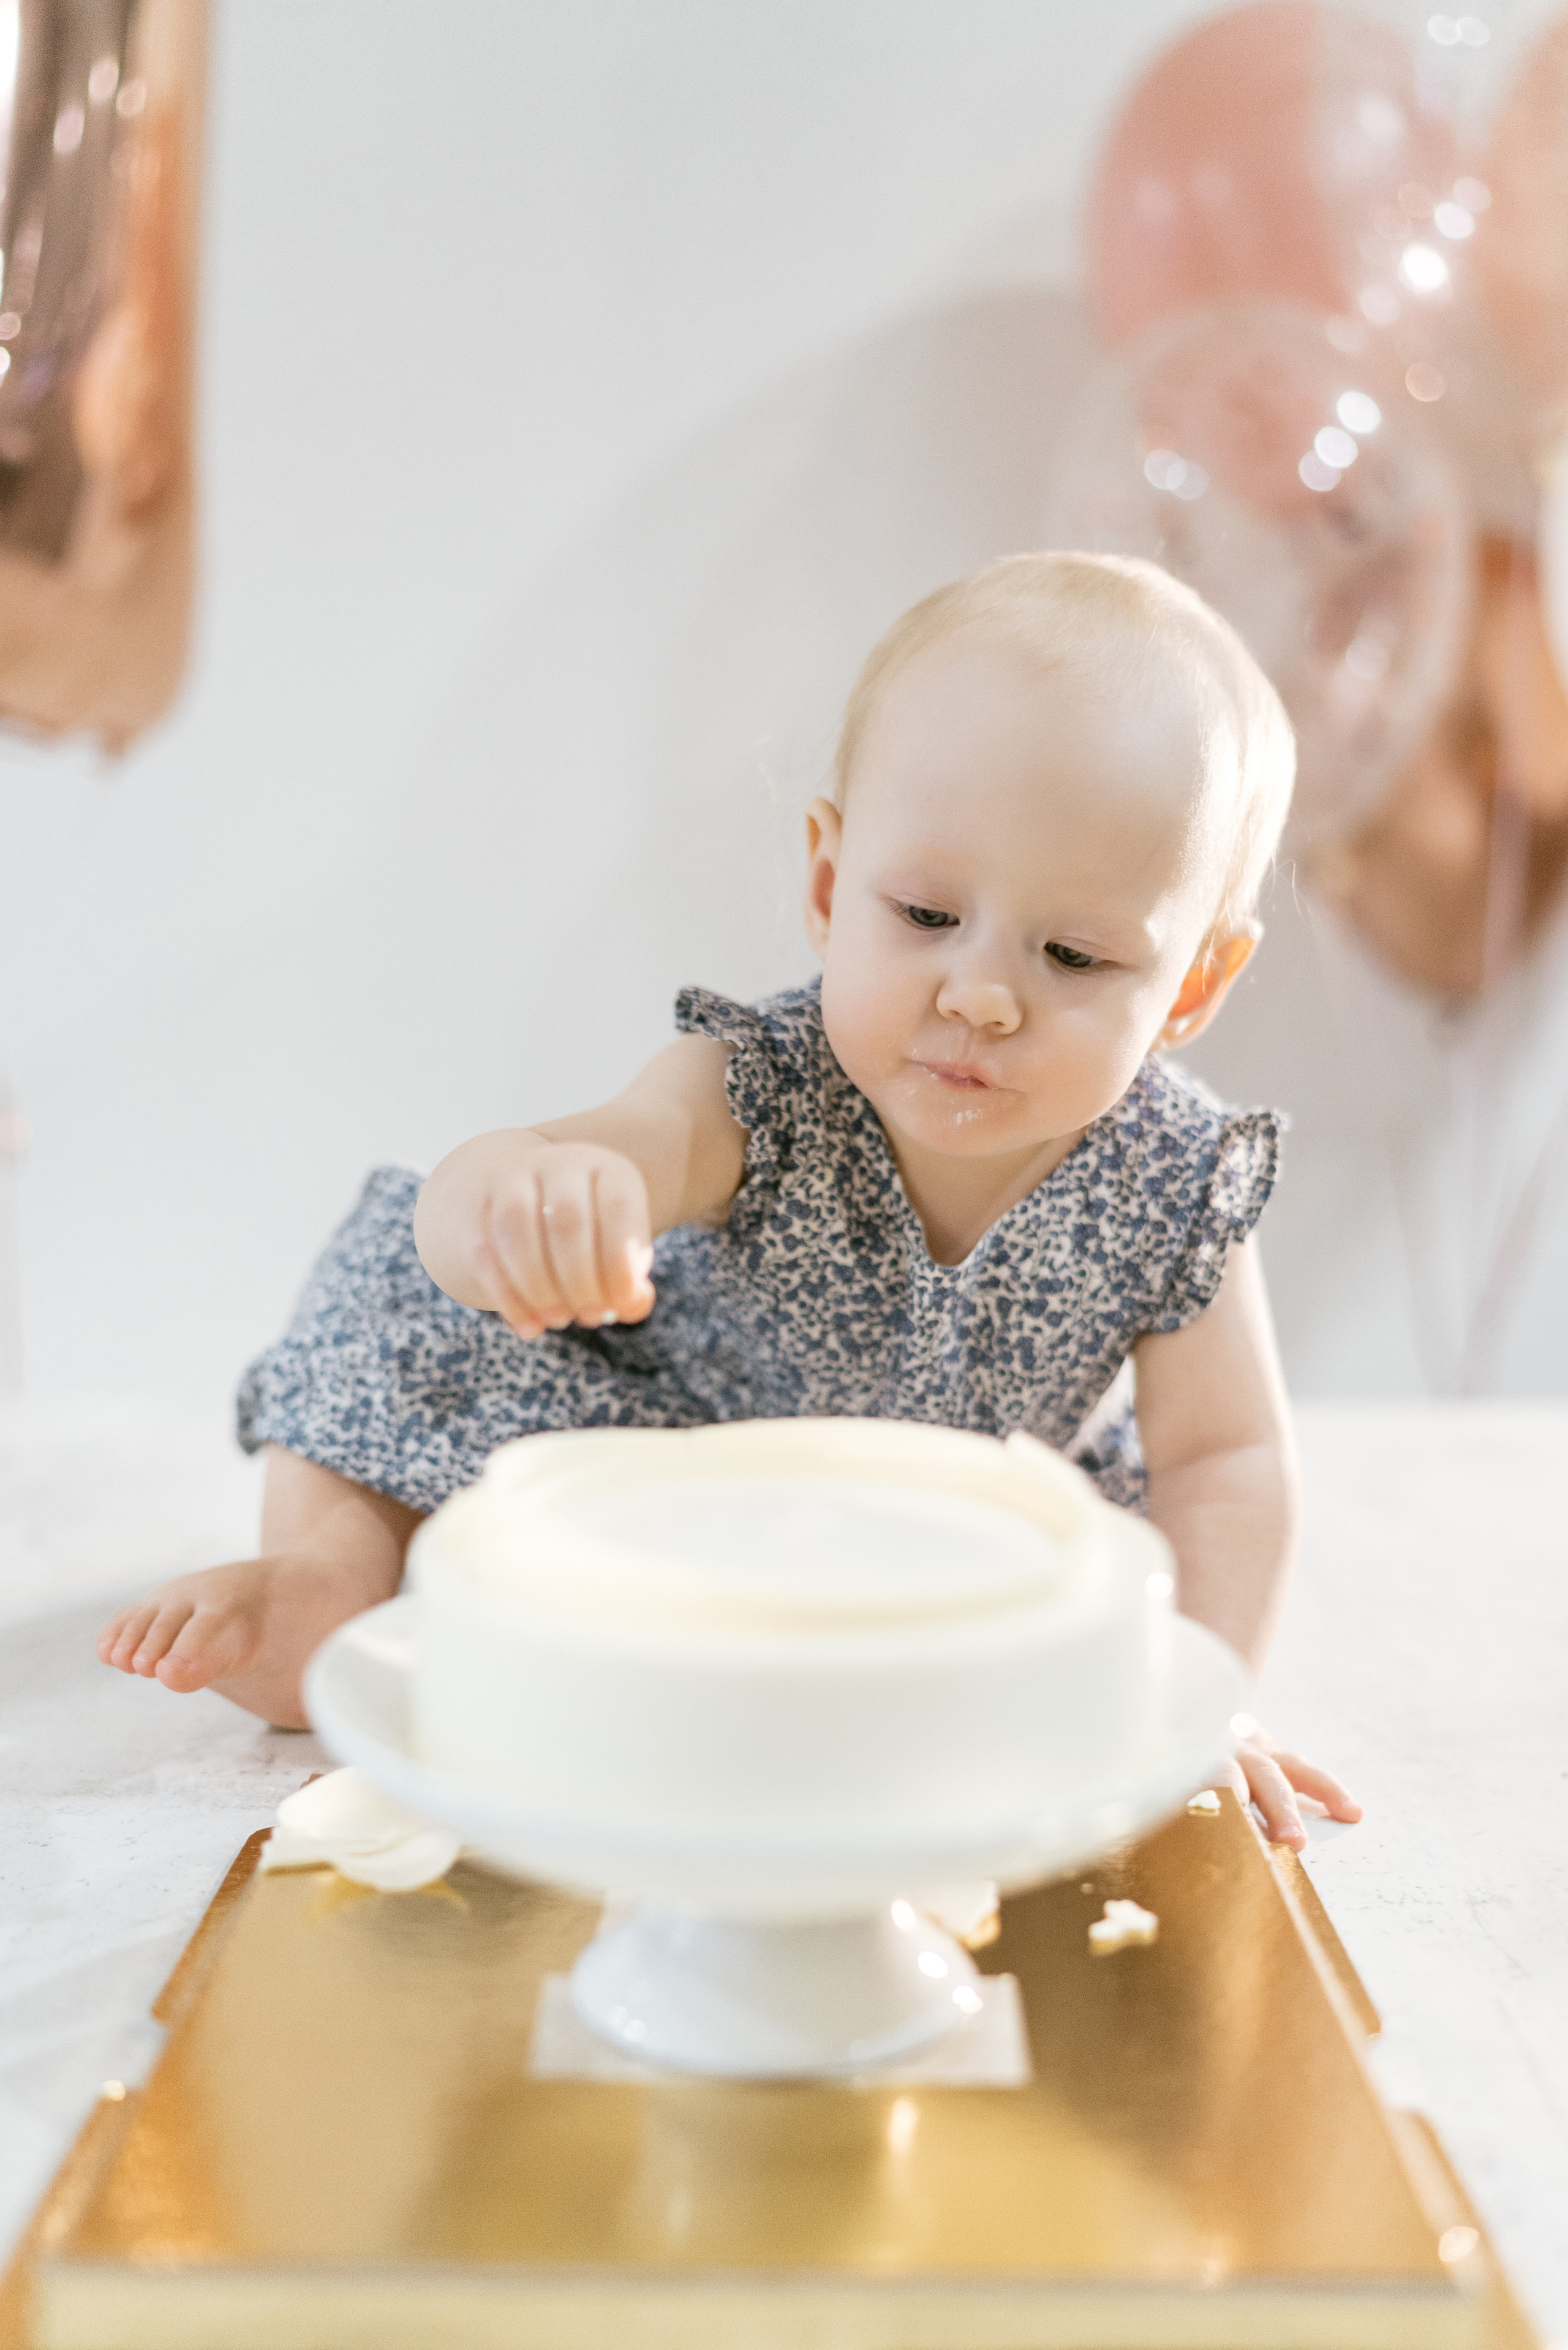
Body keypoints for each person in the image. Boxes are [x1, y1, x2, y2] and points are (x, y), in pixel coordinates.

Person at [99, 551, 1361, 1848]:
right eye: (925, 912)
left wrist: (1197, 1695)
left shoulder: (1176, 1176)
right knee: (408, 1324)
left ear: (1195, 986)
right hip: (658, 1446)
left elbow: (1225, 1459)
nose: (980, 993)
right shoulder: (761, 1080)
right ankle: (328, 1577)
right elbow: (612, 1146)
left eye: (1074, 953)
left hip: (935, 1523)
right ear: (826, 885)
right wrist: (544, 1194)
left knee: (1055, 1622)